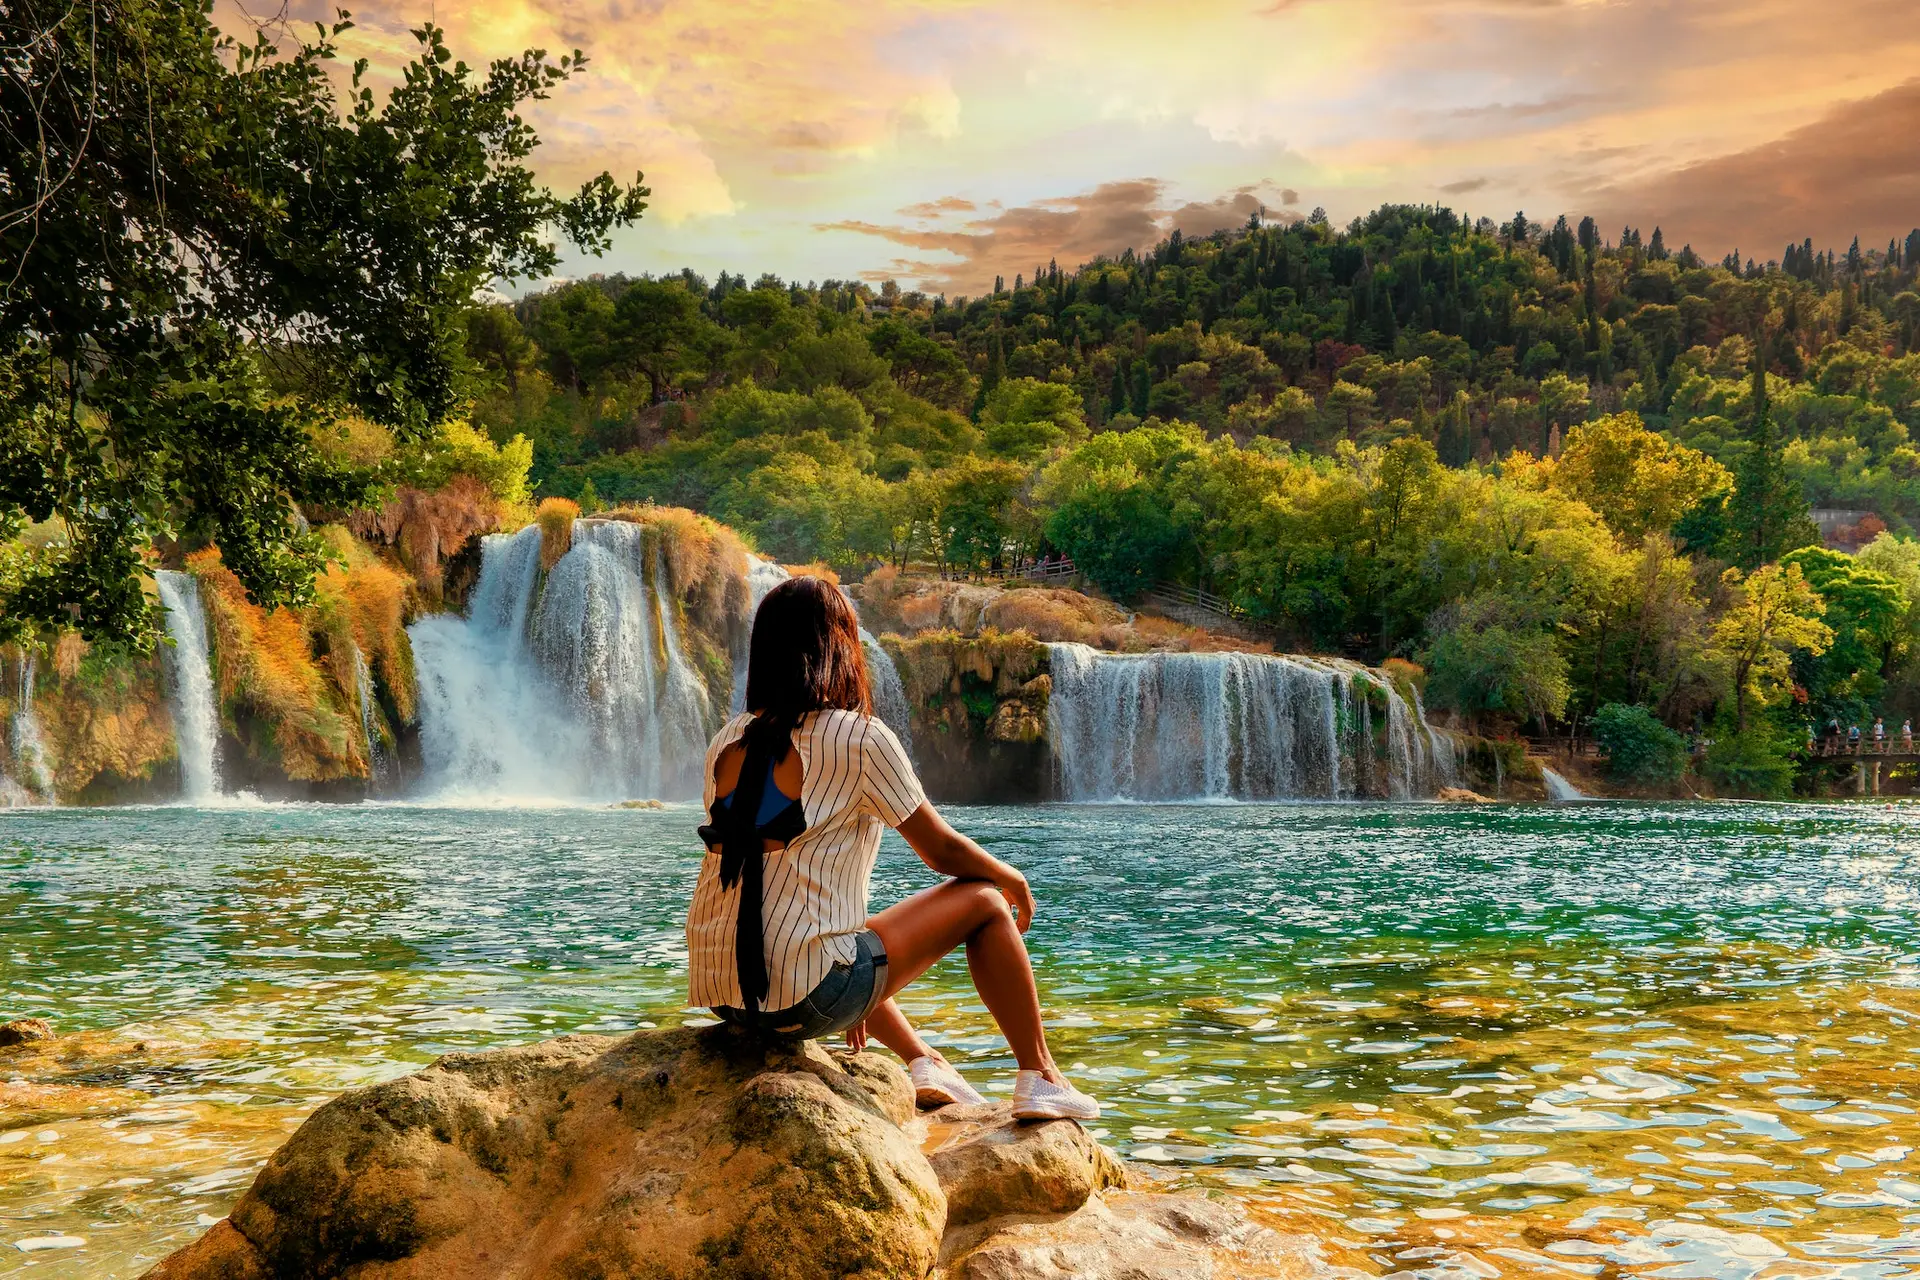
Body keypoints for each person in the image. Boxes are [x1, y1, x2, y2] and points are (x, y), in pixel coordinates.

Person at [686, 576, 1099, 1121]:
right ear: (840, 645)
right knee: (983, 900)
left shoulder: (728, 738)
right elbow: (943, 850)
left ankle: (923, 1060)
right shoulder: (859, 738)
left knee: (846, 934)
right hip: (803, 998)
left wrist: (860, 973)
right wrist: (1012, 877)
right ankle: (1040, 1075)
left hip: (726, 995)